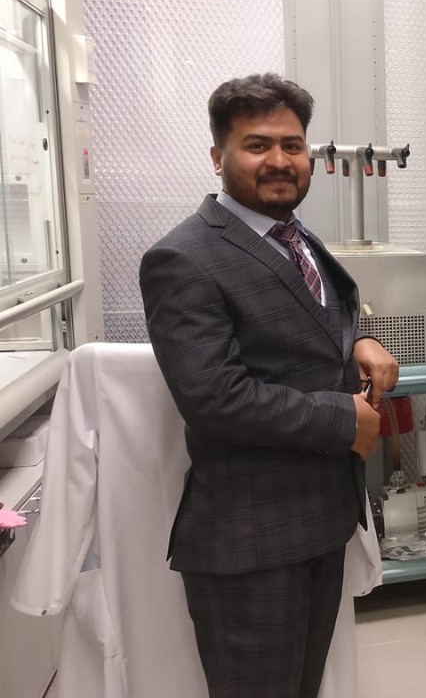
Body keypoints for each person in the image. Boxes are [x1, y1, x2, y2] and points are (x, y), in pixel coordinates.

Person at [139, 73, 398, 698]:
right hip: (250, 538)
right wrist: (345, 419)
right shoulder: (184, 258)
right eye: (257, 145)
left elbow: (311, 321)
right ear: (218, 156)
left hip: (320, 520)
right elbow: (214, 397)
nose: (279, 160)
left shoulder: (293, 235)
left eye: (292, 145)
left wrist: (358, 339)